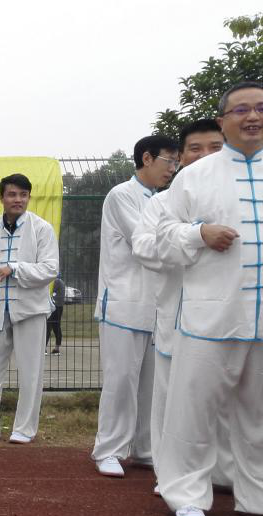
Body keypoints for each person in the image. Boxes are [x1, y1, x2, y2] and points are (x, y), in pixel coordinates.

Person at [156, 81, 263, 516]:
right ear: (223, 121)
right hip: (211, 314)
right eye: (242, 109)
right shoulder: (195, 176)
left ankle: (255, 494)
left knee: (258, 414)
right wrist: (199, 233)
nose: (253, 117)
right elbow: (163, 235)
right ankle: (186, 493)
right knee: (193, 409)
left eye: (260, 108)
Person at [131, 119, 233, 492]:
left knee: (226, 400)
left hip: (228, 317)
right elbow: (144, 246)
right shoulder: (161, 202)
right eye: (195, 149)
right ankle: (170, 474)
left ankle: (224, 474)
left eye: (214, 148)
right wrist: (195, 239)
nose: (205, 156)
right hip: (177, 314)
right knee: (170, 399)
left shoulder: (241, 196)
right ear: (181, 158)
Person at [91, 134, 179, 478]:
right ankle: (109, 449)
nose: (173, 169)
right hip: (123, 303)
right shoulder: (122, 195)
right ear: (147, 158)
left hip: (155, 306)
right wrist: (188, 241)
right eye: (169, 161)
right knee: (121, 381)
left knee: (151, 385)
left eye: (176, 162)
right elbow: (145, 241)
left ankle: (145, 449)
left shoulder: (162, 199)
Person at [0, 174, 59, 444]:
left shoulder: (41, 229)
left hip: (30, 310)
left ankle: (24, 429)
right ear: (2, 198)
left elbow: (50, 268)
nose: (18, 199)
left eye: (23, 195)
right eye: (12, 194)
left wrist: (15, 268)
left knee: (30, 373)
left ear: (29, 197)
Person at [46, 275, 65, 355]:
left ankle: (44, 348)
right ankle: (57, 348)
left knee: (48, 326)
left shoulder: (55, 281)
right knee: (56, 326)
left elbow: (48, 293)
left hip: (53, 306)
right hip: (59, 306)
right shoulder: (61, 282)